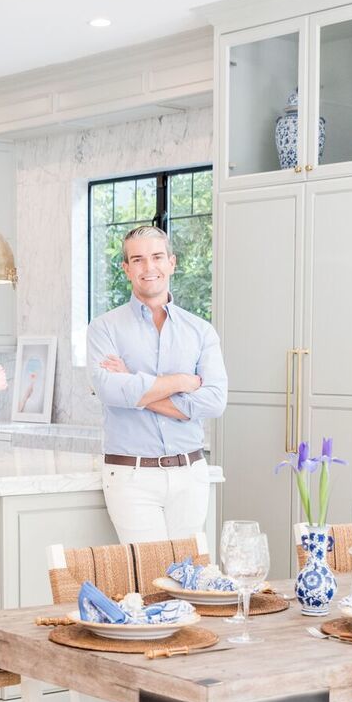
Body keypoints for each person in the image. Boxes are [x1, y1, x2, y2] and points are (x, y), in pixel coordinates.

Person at [88, 224, 227, 543]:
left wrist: (137, 390)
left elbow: (214, 401)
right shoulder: (104, 329)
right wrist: (181, 381)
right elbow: (110, 391)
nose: (148, 267)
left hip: (190, 473)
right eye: (137, 260)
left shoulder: (200, 331)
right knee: (150, 581)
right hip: (131, 476)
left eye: (156, 257)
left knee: (188, 576)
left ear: (171, 262)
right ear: (126, 269)